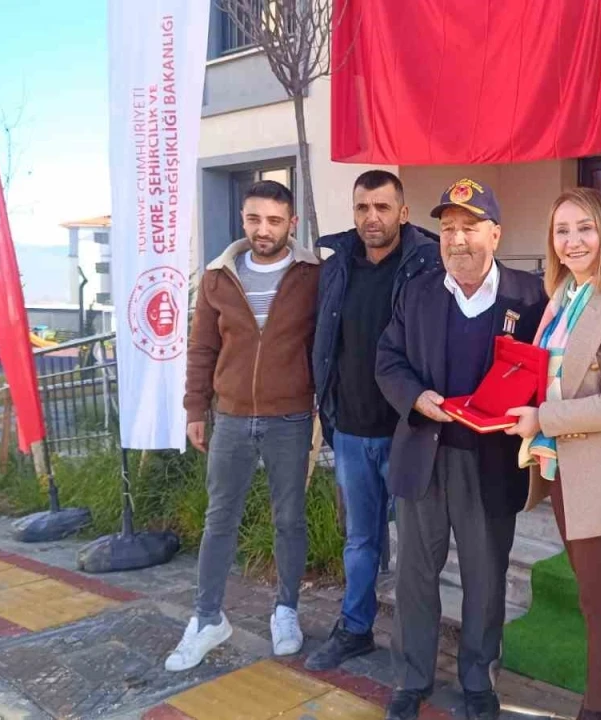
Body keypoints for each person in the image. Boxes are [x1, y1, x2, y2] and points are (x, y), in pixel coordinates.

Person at [375, 178, 547, 720]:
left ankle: (478, 682)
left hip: (490, 463)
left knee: (486, 577)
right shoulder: (418, 290)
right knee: (415, 576)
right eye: (448, 228)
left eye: (469, 227)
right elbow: (388, 359)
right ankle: (411, 680)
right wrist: (415, 397)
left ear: (495, 234)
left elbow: (548, 371)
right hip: (424, 456)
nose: (456, 239)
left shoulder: (529, 296)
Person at [503, 188, 601, 720]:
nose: (573, 241)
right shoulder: (563, 296)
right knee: (595, 592)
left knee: (600, 597)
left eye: (584, 228)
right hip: (564, 466)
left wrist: (542, 419)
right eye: (562, 230)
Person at [169, 180, 321, 671]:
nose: (263, 230)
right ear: (243, 219)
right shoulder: (219, 277)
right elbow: (202, 348)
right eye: (254, 219)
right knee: (219, 519)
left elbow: (324, 344)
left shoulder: (312, 276)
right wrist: (196, 408)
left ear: (291, 224)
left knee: (289, 519)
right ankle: (207, 618)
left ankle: (286, 610)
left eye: (274, 220)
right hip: (231, 417)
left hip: (290, 417)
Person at [306, 170, 441, 670]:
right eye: (363, 207)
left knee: (416, 548)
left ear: (402, 213)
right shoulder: (337, 266)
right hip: (350, 431)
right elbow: (325, 340)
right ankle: (355, 627)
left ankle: (413, 642)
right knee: (360, 540)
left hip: (409, 431)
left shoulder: (427, 264)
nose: (372, 217)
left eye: (382, 207)